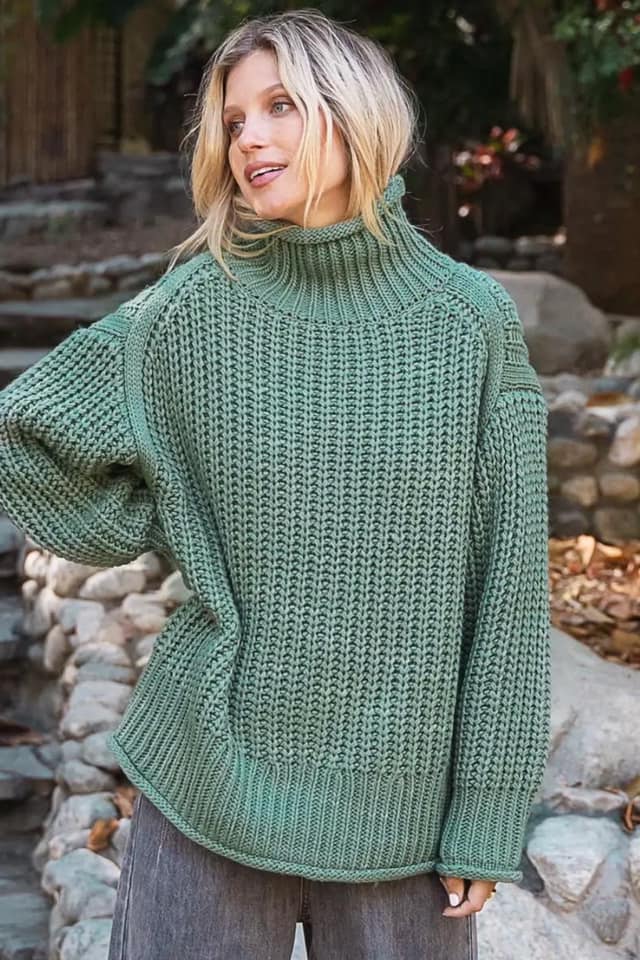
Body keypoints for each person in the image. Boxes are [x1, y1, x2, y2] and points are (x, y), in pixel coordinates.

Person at [0, 8, 552, 959]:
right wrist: (165, 515)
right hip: (207, 788)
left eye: (280, 106)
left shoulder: (470, 325)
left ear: (357, 112)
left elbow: (508, 592)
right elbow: (28, 433)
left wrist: (488, 810)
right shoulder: (190, 309)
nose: (247, 137)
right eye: (232, 120)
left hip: (402, 822)